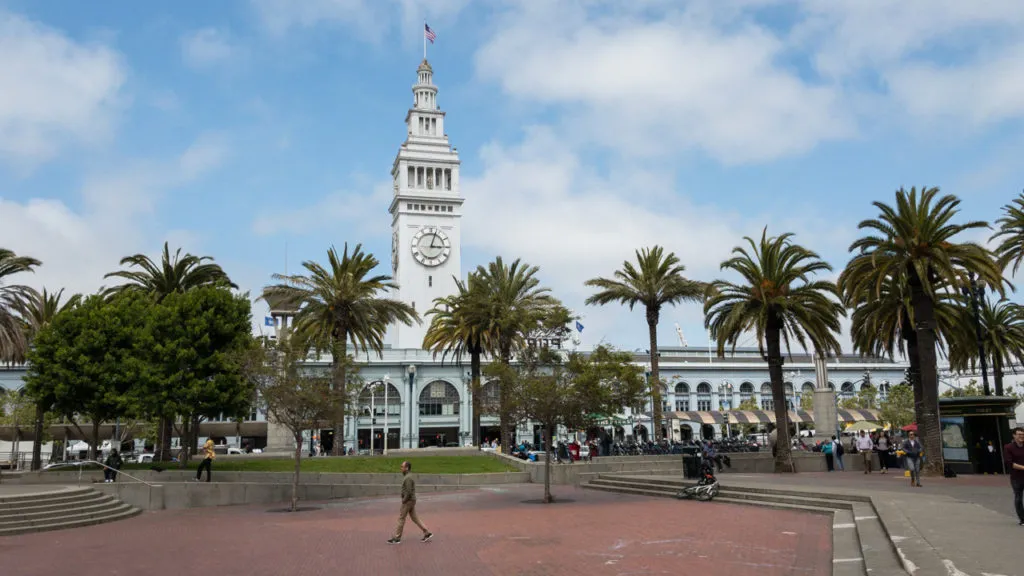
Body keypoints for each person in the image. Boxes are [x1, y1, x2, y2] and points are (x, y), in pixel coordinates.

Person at [388, 461, 433, 544]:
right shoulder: (408, 476)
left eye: (402, 467)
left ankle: (397, 538)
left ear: (407, 468)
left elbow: (408, 492)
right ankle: (427, 533)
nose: (401, 468)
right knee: (415, 518)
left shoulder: (408, 478)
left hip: (408, 501)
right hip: (411, 500)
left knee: (401, 518)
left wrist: (404, 500)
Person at [1002, 426, 1024, 526]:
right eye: (1019, 434)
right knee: (1018, 498)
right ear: (1014, 435)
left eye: (1023, 435)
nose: (1021, 436)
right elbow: (1009, 463)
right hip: (1016, 477)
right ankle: (1022, 519)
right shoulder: (1008, 447)